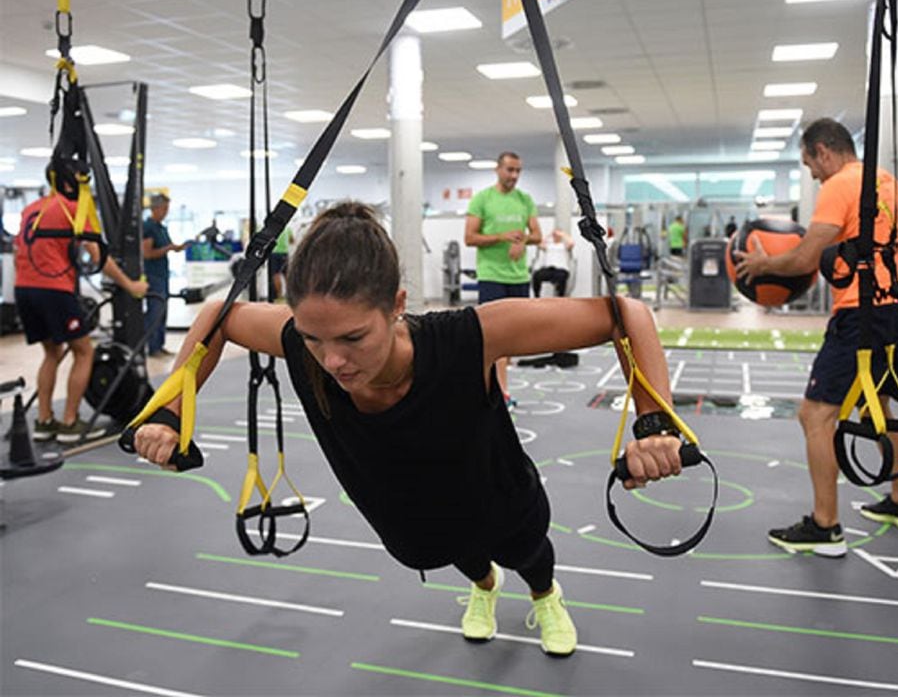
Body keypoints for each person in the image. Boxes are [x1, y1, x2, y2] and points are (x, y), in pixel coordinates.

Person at [131, 202, 683, 656]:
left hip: (497, 492)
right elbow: (218, 316)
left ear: (396, 306)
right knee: (456, 552)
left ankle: (545, 597)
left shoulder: (471, 336)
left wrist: (653, 420)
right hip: (413, 517)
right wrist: (170, 407)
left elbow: (625, 314)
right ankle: (483, 588)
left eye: (352, 338)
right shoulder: (301, 344)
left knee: (526, 552)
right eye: (313, 338)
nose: (332, 361)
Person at [734, 118, 898, 558]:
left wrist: (762, 267)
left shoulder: (839, 185)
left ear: (823, 150)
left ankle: (825, 527)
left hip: (862, 315)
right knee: (876, 406)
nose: (812, 174)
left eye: (809, 163)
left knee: (815, 416)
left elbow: (804, 259)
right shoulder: (890, 183)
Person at [14, 173, 148, 443]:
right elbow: (99, 256)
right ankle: (70, 422)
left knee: (52, 352)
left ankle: (44, 420)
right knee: (84, 351)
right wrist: (130, 285)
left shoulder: (32, 208)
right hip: (53, 288)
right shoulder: (73, 208)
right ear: (68, 182)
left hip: (24, 288)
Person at [464, 152, 541, 406]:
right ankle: (500, 392)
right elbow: (470, 238)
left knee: (516, 338)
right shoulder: (482, 199)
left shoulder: (524, 199)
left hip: (518, 276)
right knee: (494, 337)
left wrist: (523, 240)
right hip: (491, 275)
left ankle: (500, 388)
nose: (514, 176)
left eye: (518, 171)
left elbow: (538, 235)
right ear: (498, 169)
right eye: (509, 170)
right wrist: (502, 237)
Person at [142, 193, 187, 357]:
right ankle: (152, 347)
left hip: (162, 274)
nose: (166, 212)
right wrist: (168, 249)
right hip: (152, 276)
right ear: (155, 208)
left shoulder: (161, 227)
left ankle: (160, 345)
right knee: (155, 311)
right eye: (164, 208)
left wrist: (178, 247)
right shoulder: (148, 227)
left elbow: (166, 247)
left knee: (162, 312)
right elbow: (147, 254)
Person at [531, 228, 574, 297]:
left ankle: (560, 297)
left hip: (561, 269)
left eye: (557, 235)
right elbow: (539, 243)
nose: (556, 236)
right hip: (549, 269)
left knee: (562, 277)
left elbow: (571, 243)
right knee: (536, 275)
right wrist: (550, 235)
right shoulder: (548, 245)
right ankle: (537, 296)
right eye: (555, 235)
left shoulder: (564, 245)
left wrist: (563, 234)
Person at [270, 226, 293, 302]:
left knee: (276, 274)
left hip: (274, 253)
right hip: (285, 253)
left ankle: (279, 295)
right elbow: (292, 240)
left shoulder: (273, 229)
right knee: (286, 274)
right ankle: (290, 294)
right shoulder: (287, 229)